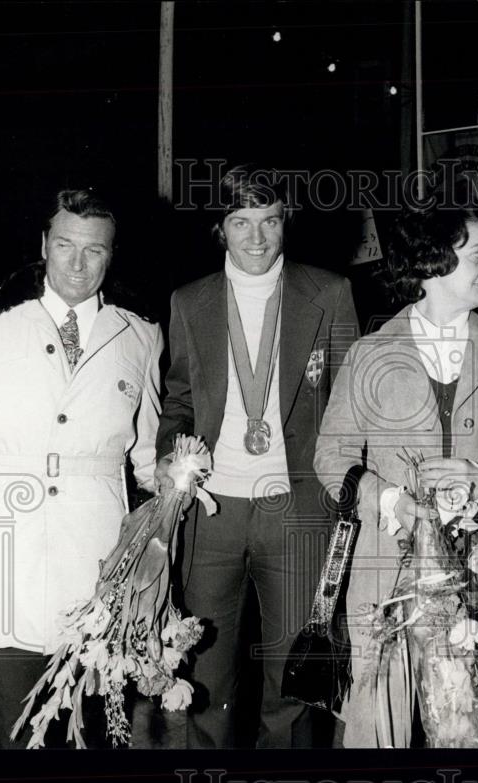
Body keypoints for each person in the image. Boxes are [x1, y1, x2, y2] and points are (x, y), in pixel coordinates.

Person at [0, 188, 162, 748]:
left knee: (89, 728)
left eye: (94, 251)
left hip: (96, 560)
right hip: (3, 546)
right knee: (18, 724)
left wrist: (183, 478)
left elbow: (145, 455)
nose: (77, 264)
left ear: (112, 254)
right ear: (44, 244)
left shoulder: (141, 333)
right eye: (66, 245)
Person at [315, 206, 478, 748]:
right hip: (388, 576)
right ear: (434, 261)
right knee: (385, 725)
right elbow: (331, 456)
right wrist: (390, 500)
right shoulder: (370, 353)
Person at [154, 163, 360, 749]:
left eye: (268, 221)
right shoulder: (190, 301)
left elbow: (347, 404)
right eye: (240, 222)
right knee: (201, 672)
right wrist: (173, 455)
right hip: (212, 512)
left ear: (285, 222)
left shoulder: (330, 292)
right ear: (220, 229)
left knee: (292, 675)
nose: (255, 238)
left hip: (296, 510)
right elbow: (180, 399)